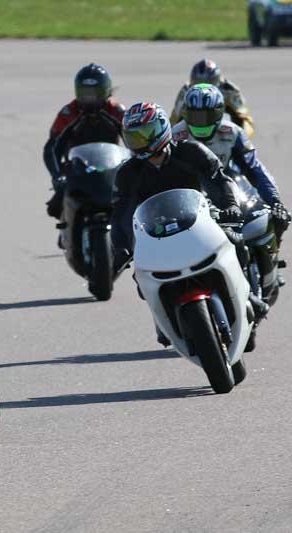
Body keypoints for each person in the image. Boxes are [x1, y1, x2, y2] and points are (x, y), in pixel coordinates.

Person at [111, 102, 267, 346]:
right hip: (156, 231)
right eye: (133, 136)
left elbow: (220, 180)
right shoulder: (127, 173)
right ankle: (162, 318)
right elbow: (120, 212)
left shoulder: (192, 151)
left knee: (236, 242)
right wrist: (120, 245)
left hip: (201, 217)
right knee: (141, 278)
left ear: (162, 129)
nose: (140, 141)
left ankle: (247, 296)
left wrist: (231, 206)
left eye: (145, 134)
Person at [172, 83, 289, 243]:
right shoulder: (176, 136)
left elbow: (254, 169)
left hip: (226, 184)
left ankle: (265, 259)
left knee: (274, 217)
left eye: (207, 116)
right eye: (195, 116)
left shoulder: (233, 132)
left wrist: (275, 201)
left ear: (219, 113)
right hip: (189, 191)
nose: (201, 123)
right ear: (186, 114)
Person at [43, 63, 125, 219]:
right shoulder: (68, 113)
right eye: (85, 93)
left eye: (94, 93)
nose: (89, 98)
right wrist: (56, 175)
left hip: (111, 165)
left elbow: (133, 141)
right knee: (54, 207)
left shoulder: (117, 111)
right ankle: (67, 228)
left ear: (105, 91)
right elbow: (51, 148)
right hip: (77, 168)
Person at [170, 58, 255, 138]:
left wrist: (242, 137)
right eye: (198, 82)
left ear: (218, 80)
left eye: (209, 82)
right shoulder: (186, 91)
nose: (203, 89)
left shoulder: (229, 89)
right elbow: (175, 119)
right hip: (193, 130)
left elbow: (245, 118)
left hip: (222, 128)